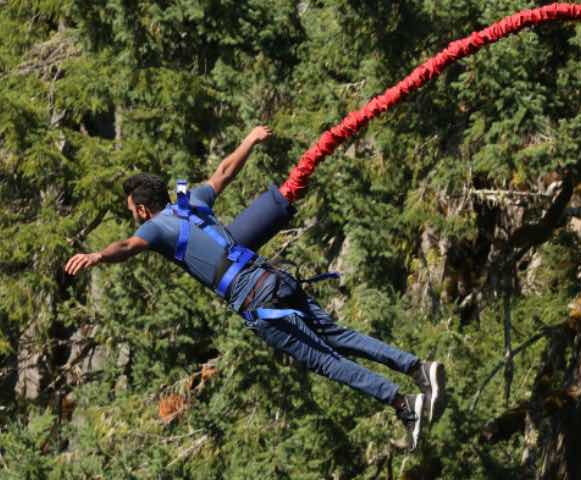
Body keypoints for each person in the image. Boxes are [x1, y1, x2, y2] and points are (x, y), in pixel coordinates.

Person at [64, 126, 446, 450]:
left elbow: (128, 247)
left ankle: (403, 403)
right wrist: (249, 140)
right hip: (273, 277)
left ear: (143, 210)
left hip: (253, 297)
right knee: (337, 335)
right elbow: (224, 172)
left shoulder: (154, 228)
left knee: (325, 360)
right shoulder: (190, 202)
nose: (134, 219)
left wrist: (98, 255)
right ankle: (417, 368)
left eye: (132, 212)